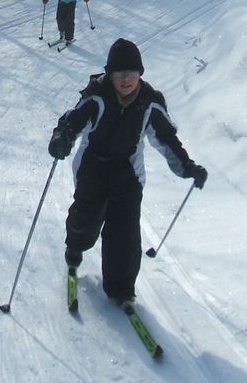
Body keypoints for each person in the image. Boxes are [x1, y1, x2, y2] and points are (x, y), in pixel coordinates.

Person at [47, 38, 207, 303]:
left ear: (140, 74)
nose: (125, 79)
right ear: (109, 74)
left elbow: (166, 138)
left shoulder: (149, 102)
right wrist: (62, 138)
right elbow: (72, 121)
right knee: (86, 216)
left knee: (125, 230)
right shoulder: (97, 96)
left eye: (131, 73)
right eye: (119, 73)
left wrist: (188, 167)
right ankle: (74, 248)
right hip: (93, 165)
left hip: (127, 170)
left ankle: (120, 287)